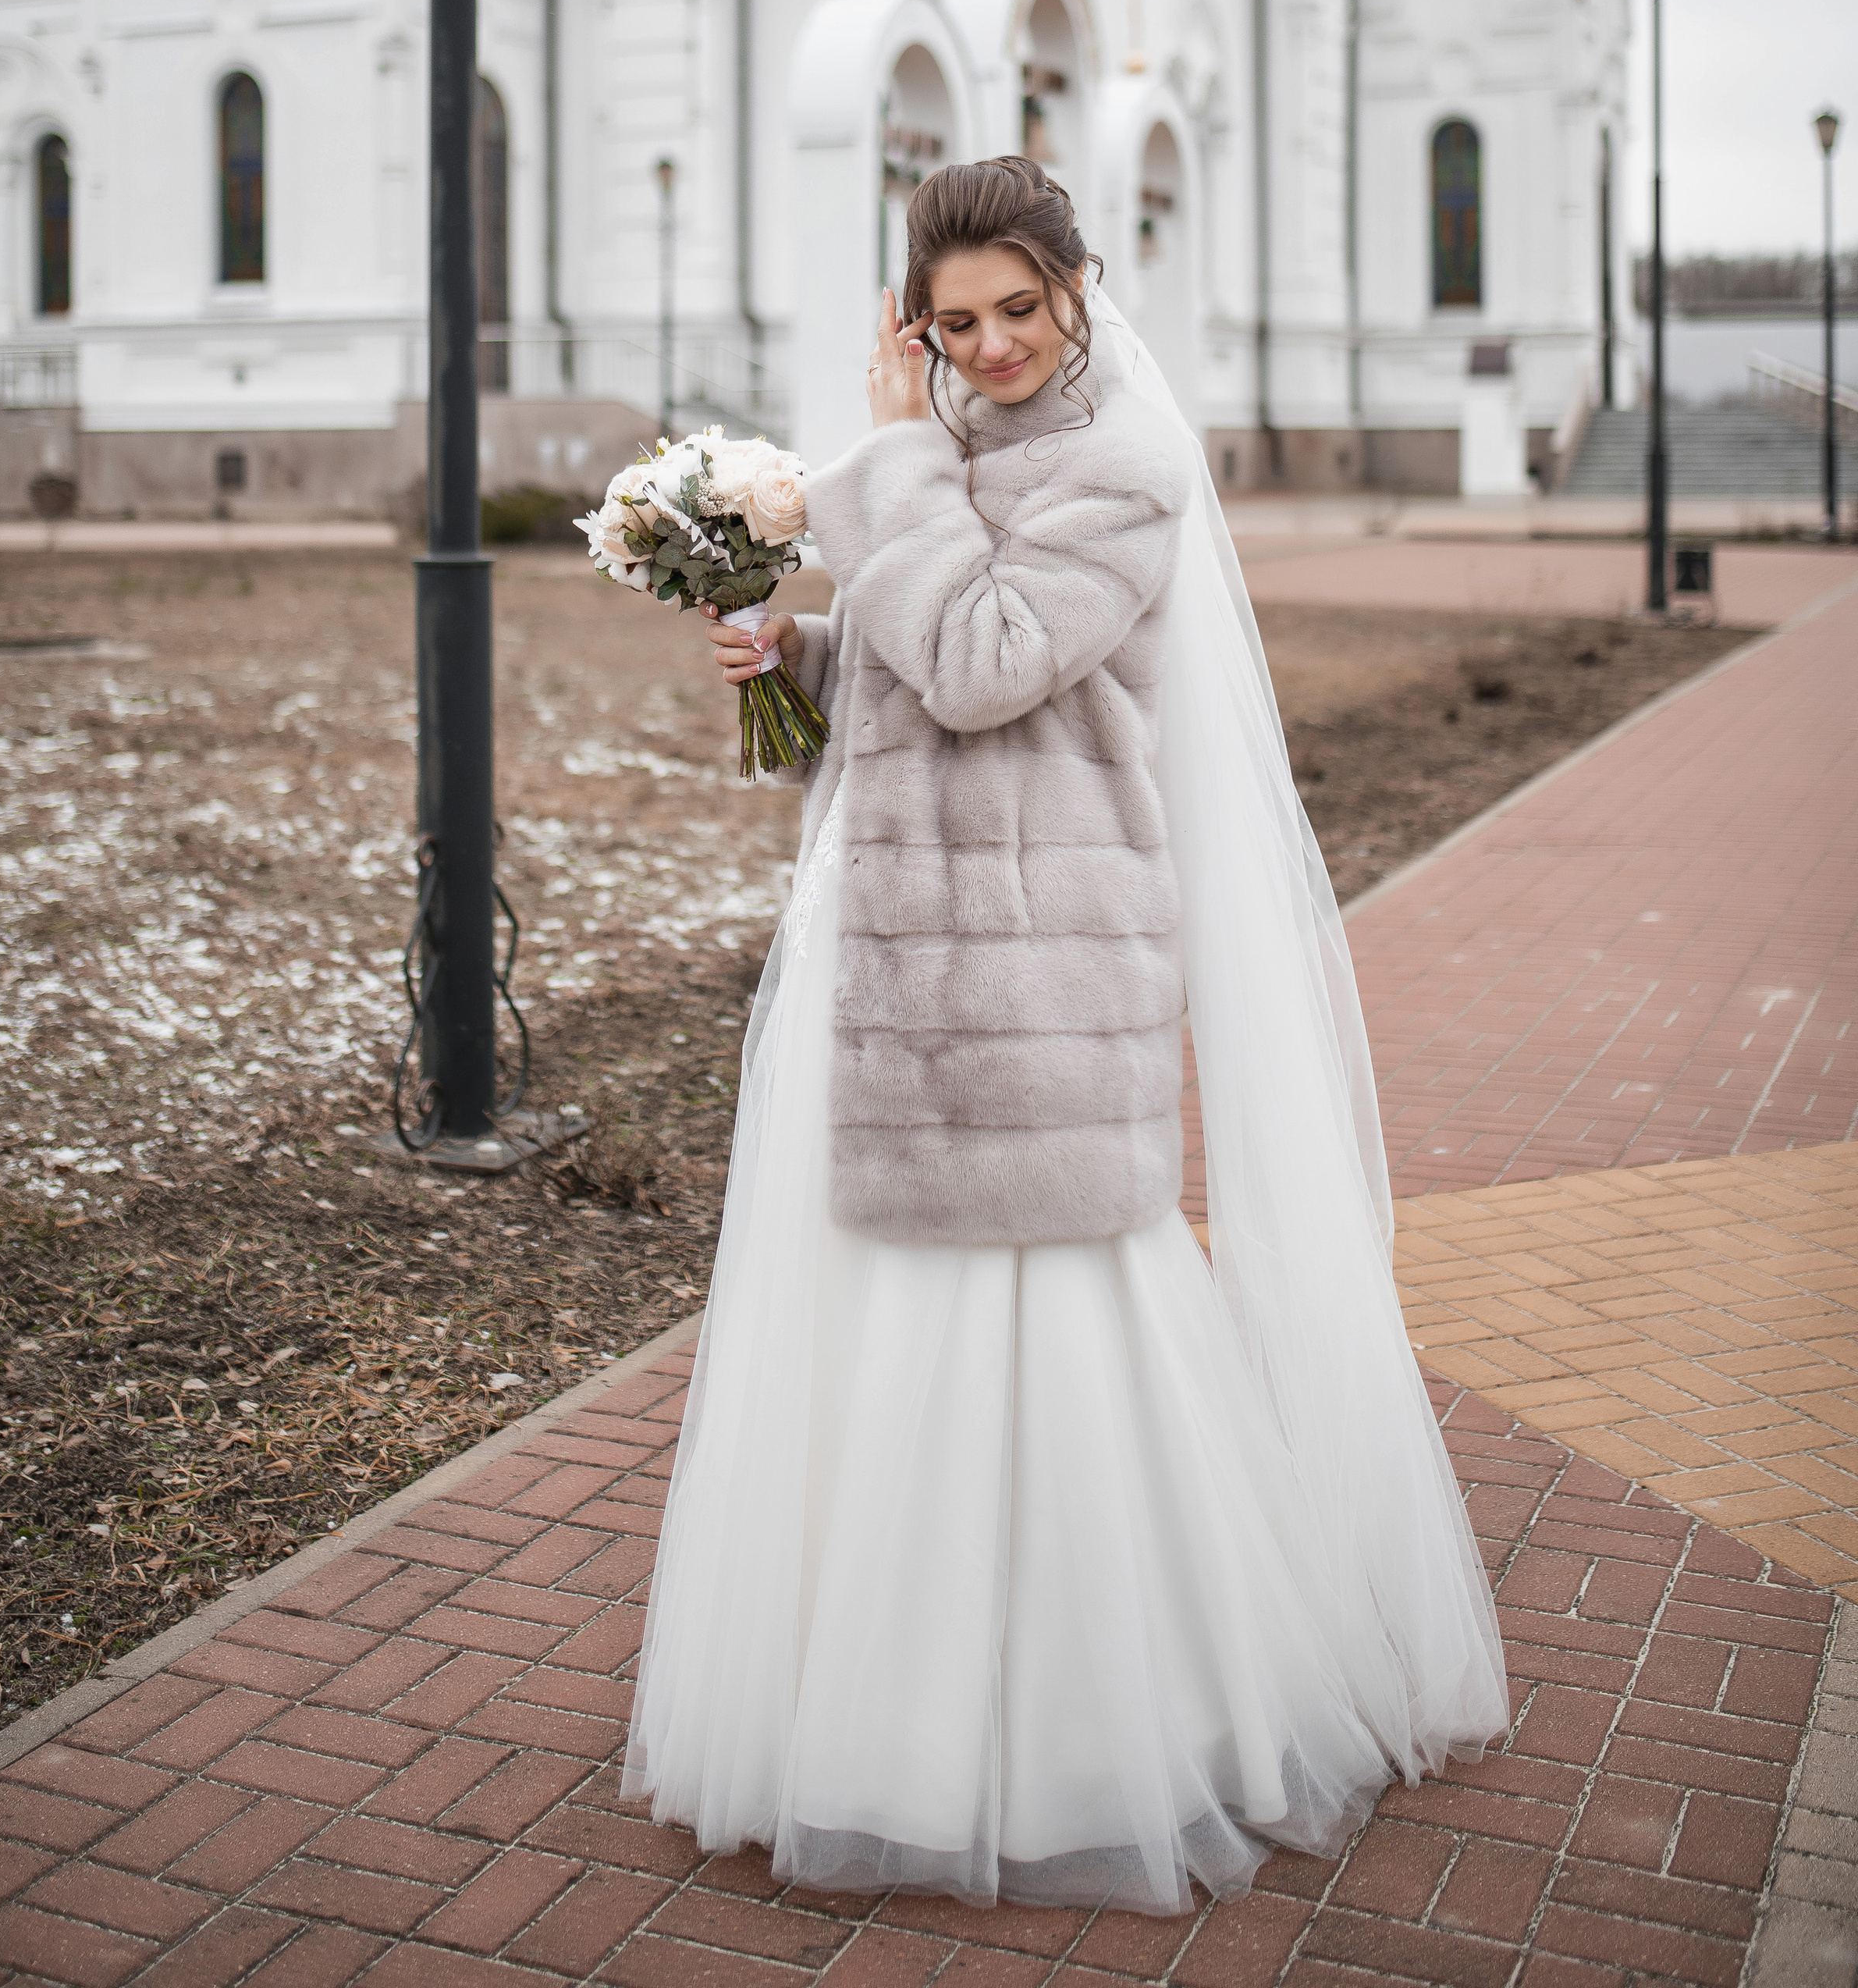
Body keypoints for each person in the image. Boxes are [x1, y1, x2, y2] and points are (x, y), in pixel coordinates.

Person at [623, 155, 1507, 1912]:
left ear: (1076, 290)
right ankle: (884, 1731)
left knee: (1060, 1353)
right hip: (894, 972)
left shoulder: (1125, 468)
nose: (989, 348)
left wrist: (888, 462)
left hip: (1035, 978)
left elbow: (986, 661)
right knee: (887, 1354)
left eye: (1015, 310)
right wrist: (791, 660)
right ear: (915, 322)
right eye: (951, 324)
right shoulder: (939, 456)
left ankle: (1098, 1736)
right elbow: (913, 687)